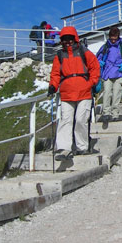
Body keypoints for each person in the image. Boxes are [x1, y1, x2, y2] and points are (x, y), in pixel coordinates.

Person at [48, 26, 101, 160]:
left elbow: (95, 68)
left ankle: (82, 147)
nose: (67, 42)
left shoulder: (84, 52)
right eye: (64, 39)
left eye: (70, 39)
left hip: (84, 92)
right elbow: (55, 73)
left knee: (81, 120)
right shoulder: (59, 56)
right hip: (66, 93)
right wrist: (53, 86)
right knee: (66, 120)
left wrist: (91, 83)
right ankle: (64, 149)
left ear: (75, 39)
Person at [95, 27, 122, 123]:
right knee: (107, 92)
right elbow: (97, 57)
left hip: (119, 73)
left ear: (118, 37)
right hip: (107, 72)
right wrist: (99, 62)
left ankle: (115, 113)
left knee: (116, 93)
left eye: (115, 38)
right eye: (112, 38)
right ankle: (106, 113)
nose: (113, 40)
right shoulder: (105, 47)